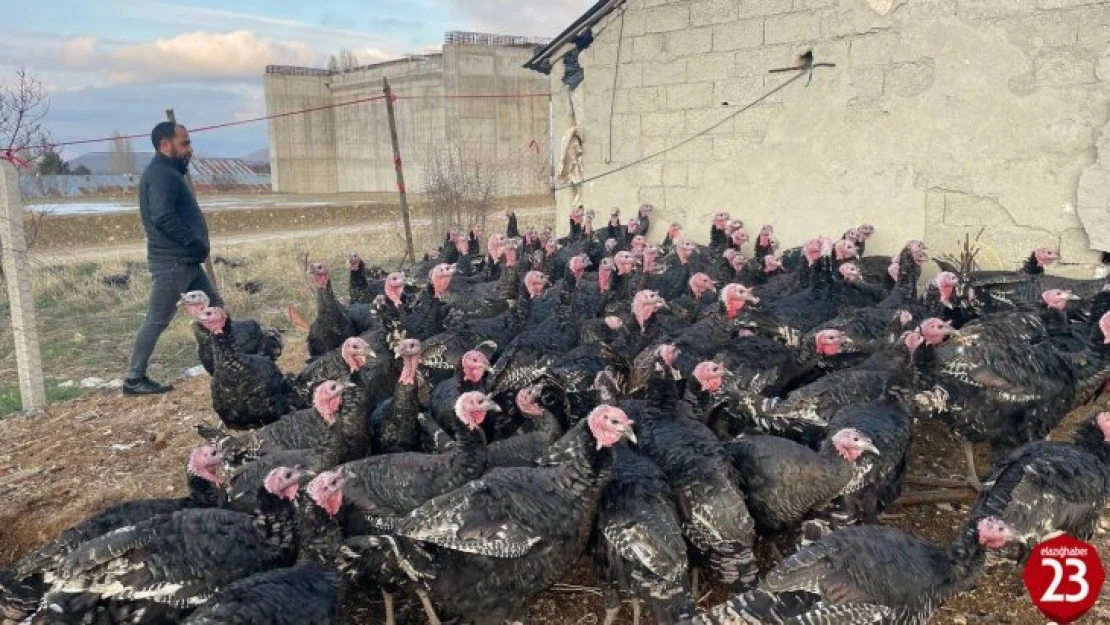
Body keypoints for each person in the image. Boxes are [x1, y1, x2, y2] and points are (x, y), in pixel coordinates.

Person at [122, 121, 222, 396]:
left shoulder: (169, 172)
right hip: (173, 263)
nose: (190, 148)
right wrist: (193, 242)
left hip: (187, 262)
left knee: (216, 309)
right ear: (165, 144)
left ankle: (227, 362)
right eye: (185, 143)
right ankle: (134, 379)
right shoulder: (161, 175)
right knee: (157, 320)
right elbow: (163, 217)